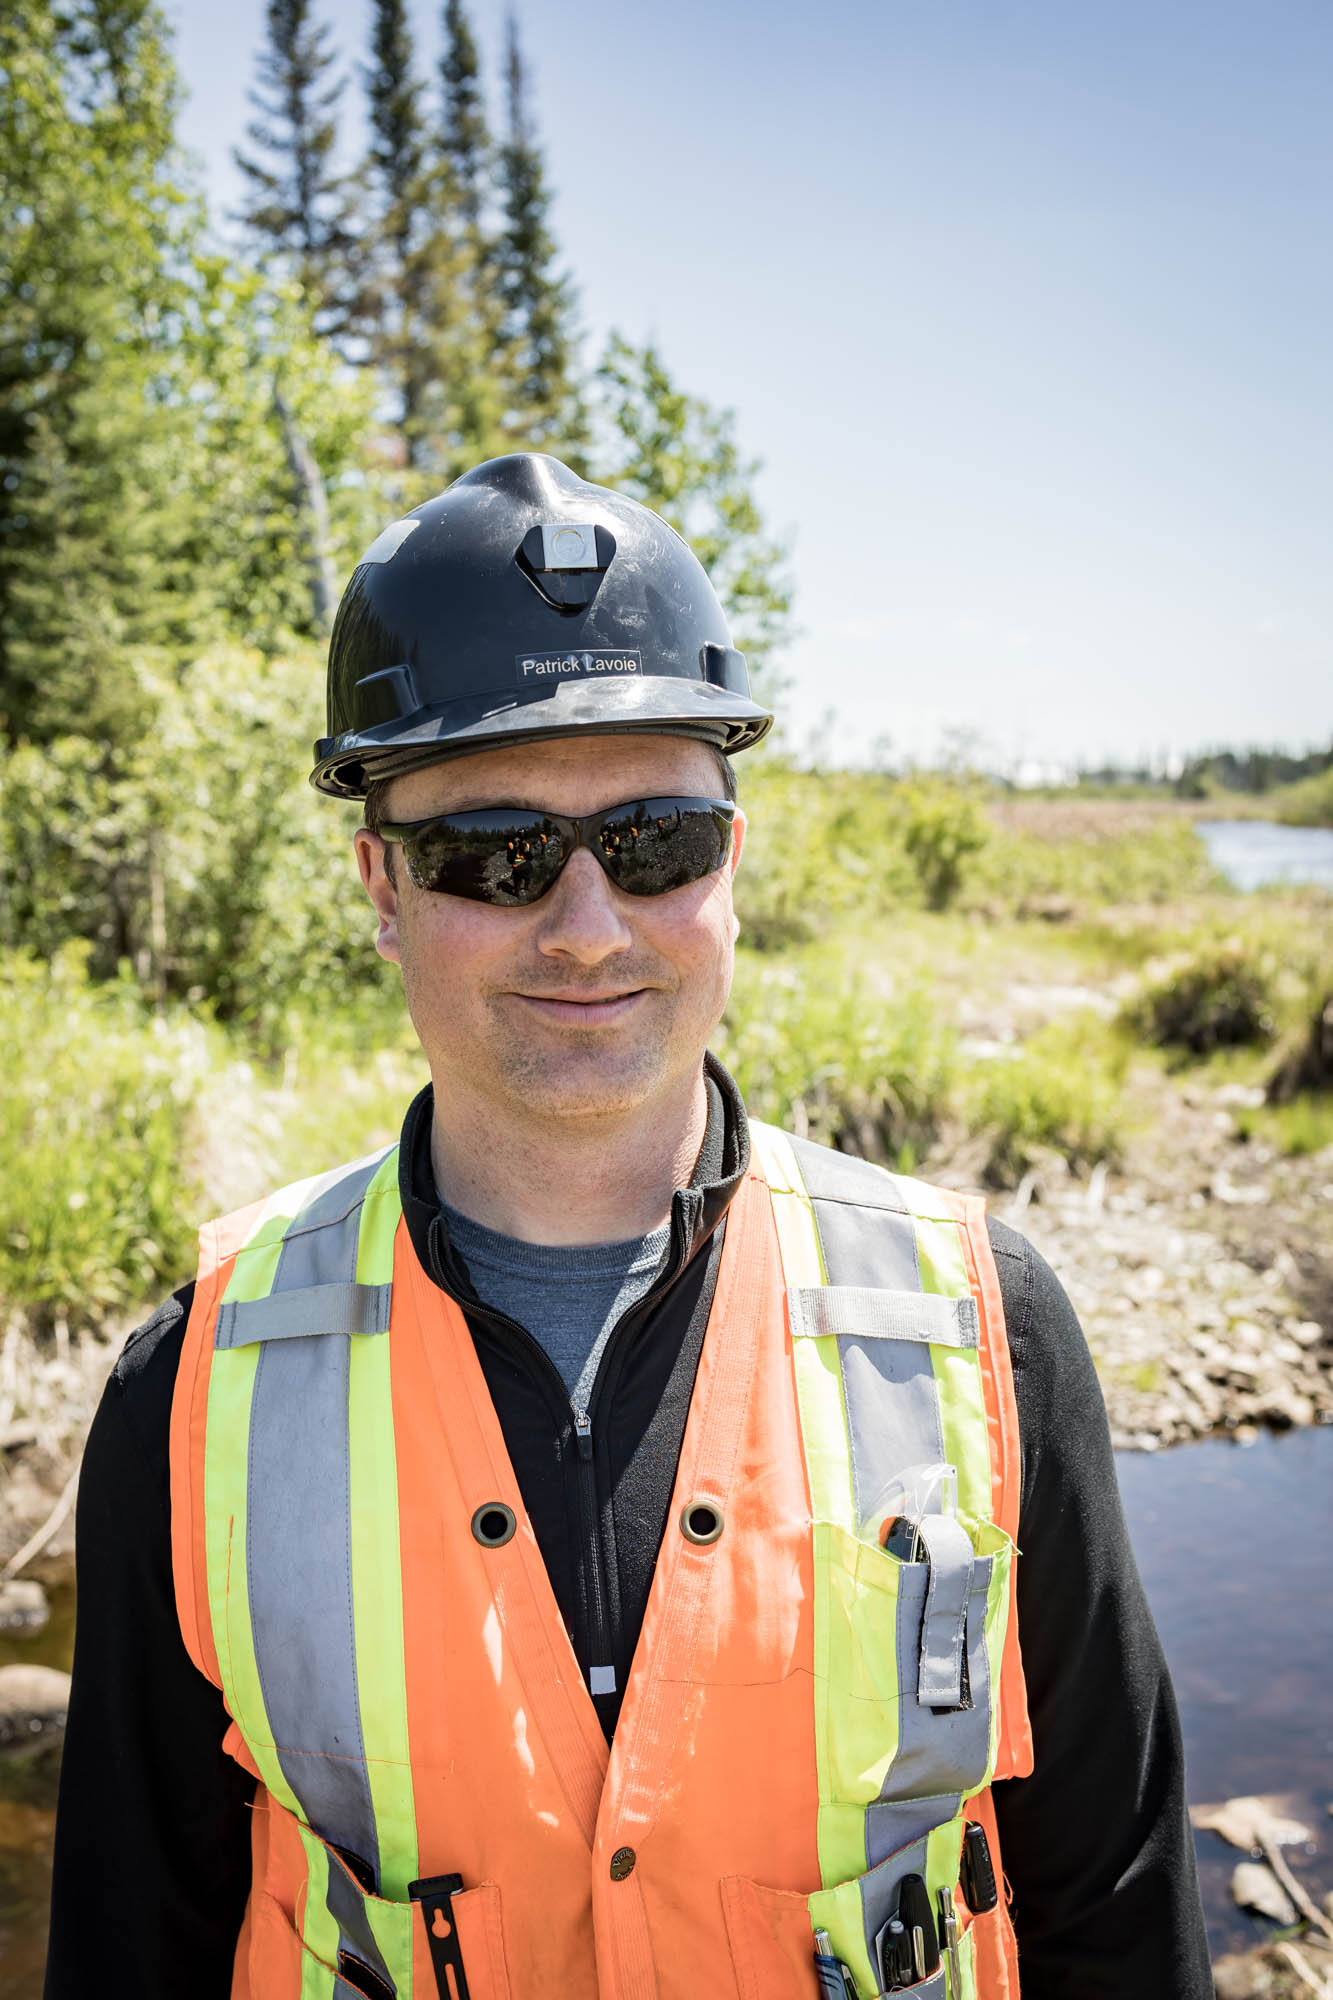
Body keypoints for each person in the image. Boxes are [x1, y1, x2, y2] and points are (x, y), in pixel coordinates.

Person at [46, 453, 1211, 2000]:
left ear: (728, 863)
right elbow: (135, 1944)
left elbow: (1113, 1911)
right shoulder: (194, 1389)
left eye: (652, 840)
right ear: (382, 887)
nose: (587, 925)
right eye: (494, 854)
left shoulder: (983, 1327)